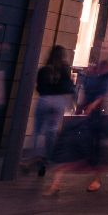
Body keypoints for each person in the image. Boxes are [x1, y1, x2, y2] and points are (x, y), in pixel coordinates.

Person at [49, 46, 108, 195]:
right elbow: (85, 90)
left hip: (95, 116)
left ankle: (96, 179)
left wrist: (92, 106)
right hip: (85, 113)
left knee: (95, 149)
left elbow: (103, 94)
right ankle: (55, 183)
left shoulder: (106, 71)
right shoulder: (92, 70)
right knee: (69, 144)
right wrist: (81, 106)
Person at [31, 44, 74, 175]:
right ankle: (47, 158)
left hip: (44, 100)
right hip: (58, 102)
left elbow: (38, 88)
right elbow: (68, 87)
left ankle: (37, 156)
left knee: (38, 130)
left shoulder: (44, 70)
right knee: (52, 130)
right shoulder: (65, 70)